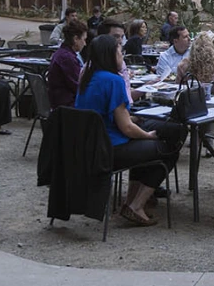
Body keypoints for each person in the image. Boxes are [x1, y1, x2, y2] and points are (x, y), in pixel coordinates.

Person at [75, 34, 180, 226]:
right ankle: (135, 205)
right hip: (110, 150)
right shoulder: (113, 80)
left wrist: (136, 121)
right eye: (119, 52)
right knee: (167, 148)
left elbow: (109, 117)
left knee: (149, 143)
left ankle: (130, 202)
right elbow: (127, 128)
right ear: (109, 55)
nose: (122, 56)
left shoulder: (88, 77)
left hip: (90, 147)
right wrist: (147, 135)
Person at [46, 18, 88, 110]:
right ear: (76, 39)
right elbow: (78, 86)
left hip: (60, 103)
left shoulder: (61, 53)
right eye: (84, 39)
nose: (84, 44)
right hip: (67, 106)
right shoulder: (67, 58)